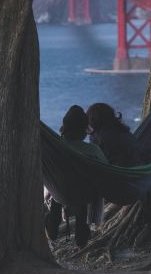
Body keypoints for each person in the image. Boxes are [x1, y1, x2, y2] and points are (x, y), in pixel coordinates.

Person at [45, 105, 107, 248]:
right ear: (84, 130)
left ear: (65, 126)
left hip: (59, 193)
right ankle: (82, 239)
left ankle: (52, 227)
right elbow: (106, 170)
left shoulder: (55, 147)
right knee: (84, 189)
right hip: (85, 196)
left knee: (58, 184)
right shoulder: (93, 150)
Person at [87, 103, 141, 167]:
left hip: (120, 172)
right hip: (138, 169)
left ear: (93, 120)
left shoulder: (99, 138)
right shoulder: (123, 130)